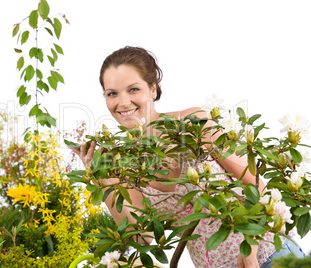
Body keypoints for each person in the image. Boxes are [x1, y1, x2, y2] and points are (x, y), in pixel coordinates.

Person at [68, 46, 305, 267]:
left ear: (152, 89)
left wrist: (249, 249)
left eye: (133, 89)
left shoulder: (191, 123)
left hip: (269, 254)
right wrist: (103, 179)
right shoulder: (125, 162)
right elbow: (142, 235)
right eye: (112, 93)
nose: (122, 102)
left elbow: (254, 183)